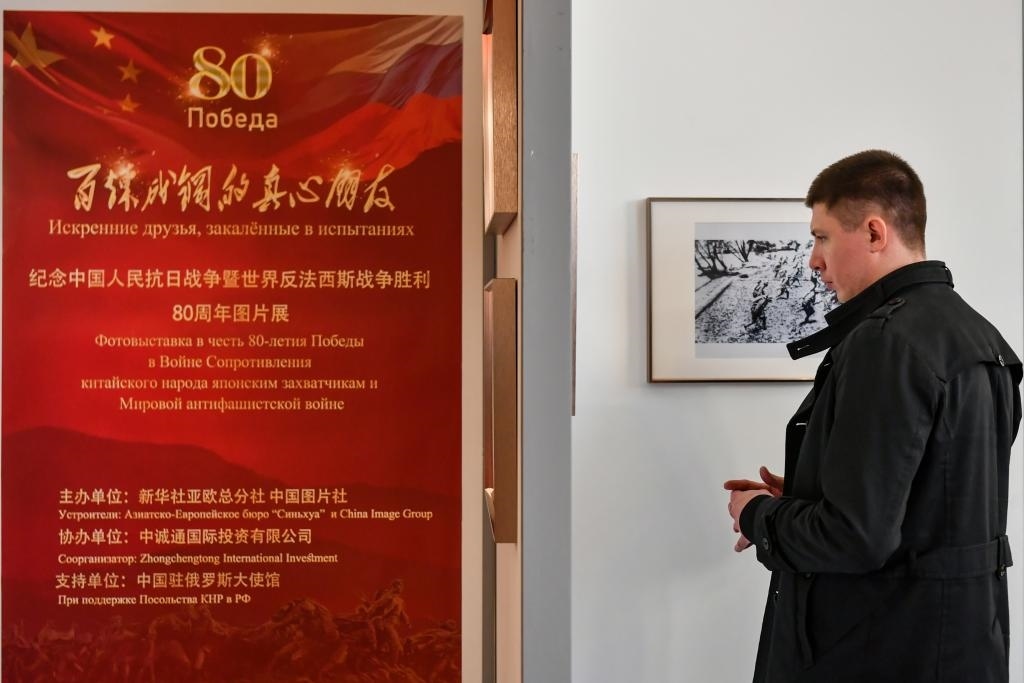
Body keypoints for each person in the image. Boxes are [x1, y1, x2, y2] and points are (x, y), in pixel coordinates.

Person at [724, 150, 1022, 682]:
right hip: (964, 649)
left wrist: (756, 515)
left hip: (878, 650)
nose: (813, 261)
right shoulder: (983, 337)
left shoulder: (884, 342)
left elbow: (854, 537)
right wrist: (811, 492)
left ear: (874, 232)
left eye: (822, 237)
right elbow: (931, 503)